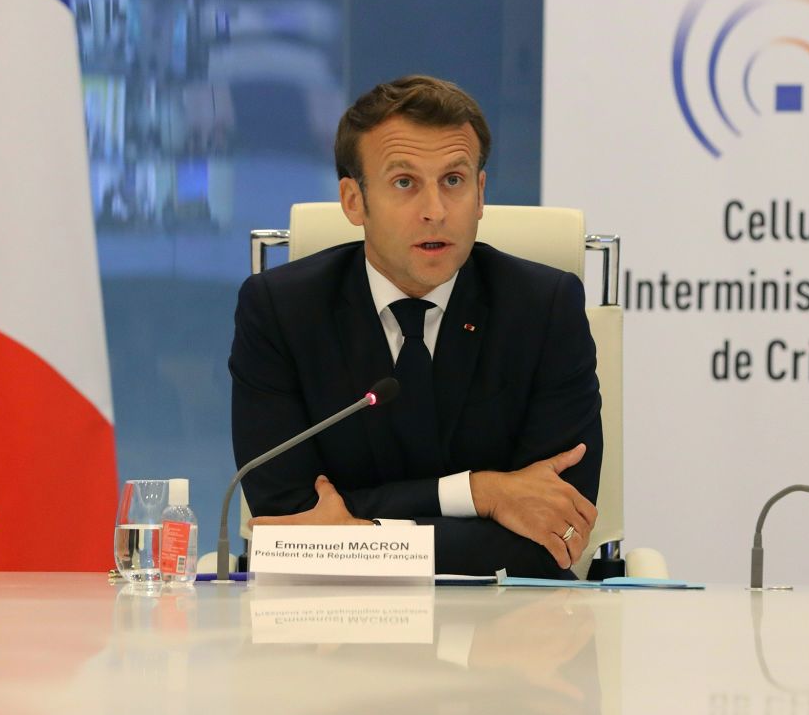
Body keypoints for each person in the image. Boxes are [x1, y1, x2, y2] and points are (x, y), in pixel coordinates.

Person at [229, 75, 602, 577]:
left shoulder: (544, 310)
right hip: (330, 629)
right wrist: (483, 492)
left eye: (454, 180)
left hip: (502, 632)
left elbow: (552, 534)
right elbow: (288, 524)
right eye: (405, 183)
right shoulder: (280, 312)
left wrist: (361, 539)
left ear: (481, 193)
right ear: (353, 201)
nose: (435, 211)